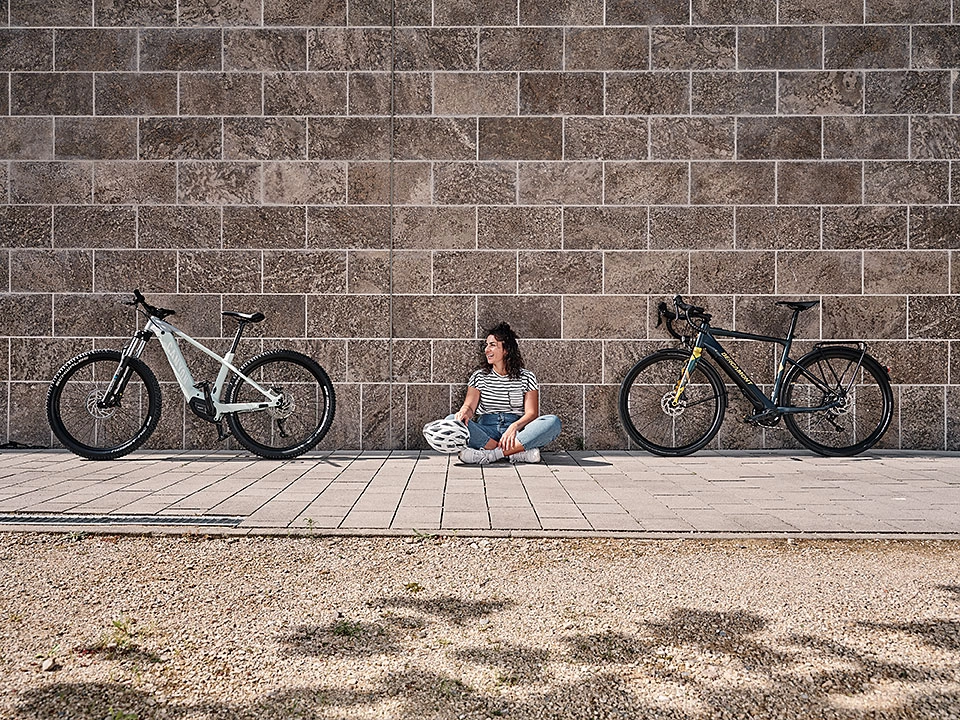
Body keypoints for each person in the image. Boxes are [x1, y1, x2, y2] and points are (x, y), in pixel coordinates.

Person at [449, 322, 561, 464]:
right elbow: (469, 407)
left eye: (492, 345)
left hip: (517, 433)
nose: (486, 350)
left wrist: (513, 427)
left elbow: (531, 413)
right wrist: (464, 412)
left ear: (506, 349)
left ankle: (491, 455)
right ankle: (514, 453)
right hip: (486, 433)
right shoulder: (479, 377)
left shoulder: (527, 377)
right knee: (451, 420)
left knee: (553, 422)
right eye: (486, 345)